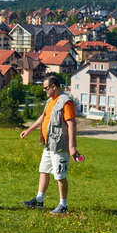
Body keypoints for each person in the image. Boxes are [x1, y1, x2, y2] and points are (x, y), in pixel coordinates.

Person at [20, 76, 78, 214]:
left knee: (60, 176)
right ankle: (39, 200)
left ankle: (63, 205)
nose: (44, 90)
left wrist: (72, 146)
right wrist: (28, 130)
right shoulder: (50, 101)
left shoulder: (65, 102)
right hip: (48, 144)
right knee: (44, 170)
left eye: (46, 88)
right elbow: (43, 117)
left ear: (54, 87)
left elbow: (71, 124)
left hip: (60, 146)